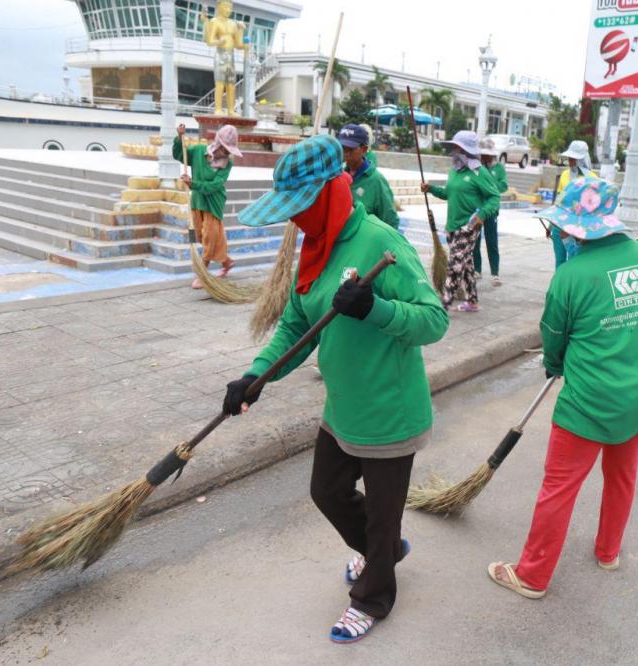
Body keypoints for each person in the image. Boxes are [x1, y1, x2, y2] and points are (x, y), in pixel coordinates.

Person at [228, 135, 450, 643]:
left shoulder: (379, 242)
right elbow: (295, 325)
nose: (294, 218)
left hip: (390, 412)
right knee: (326, 491)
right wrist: (256, 376)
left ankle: (374, 596)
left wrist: (377, 308)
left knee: (381, 518)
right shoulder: (317, 248)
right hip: (344, 405)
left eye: (301, 206)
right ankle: (385, 551)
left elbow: (435, 320)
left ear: (329, 193)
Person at [487, 176, 638, 599]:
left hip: (588, 401)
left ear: (577, 228)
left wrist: (556, 366)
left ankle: (533, 576)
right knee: (622, 477)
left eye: (563, 226)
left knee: (559, 487)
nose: (559, 232)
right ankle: (608, 552)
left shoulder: (570, 276)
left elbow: (553, 343)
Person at [420, 130, 501, 312]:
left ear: (467, 150)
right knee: (466, 266)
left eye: (457, 147)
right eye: (454, 147)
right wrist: (431, 189)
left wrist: (482, 216)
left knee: (454, 265)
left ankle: (444, 305)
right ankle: (472, 302)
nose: (453, 151)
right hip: (452, 227)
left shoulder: (479, 173)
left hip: (469, 227)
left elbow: (495, 197)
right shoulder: (454, 171)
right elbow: (448, 193)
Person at [174, 123, 241, 289]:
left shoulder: (227, 164)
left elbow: (215, 186)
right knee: (201, 236)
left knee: (210, 237)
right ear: (217, 143)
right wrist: (179, 137)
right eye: (224, 148)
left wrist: (193, 183)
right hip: (197, 201)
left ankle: (202, 274)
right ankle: (227, 262)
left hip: (213, 202)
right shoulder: (198, 152)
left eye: (228, 150)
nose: (225, 153)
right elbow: (179, 155)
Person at [338, 124, 400, 229]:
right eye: (342, 148)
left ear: (364, 149)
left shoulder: (377, 181)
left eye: (351, 149)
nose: (346, 153)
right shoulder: (337, 175)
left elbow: (390, 222)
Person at [552, 141, 597, 268]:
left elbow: (592, 206)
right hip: (559, 224)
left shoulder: (592, 178)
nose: (570, 161)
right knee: (560, 260)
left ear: (581, 160)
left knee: (574, 259)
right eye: (570, 158)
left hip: (578, 225)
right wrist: (551, 224)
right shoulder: (565, 175)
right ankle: (559, 286)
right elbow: (559, 200)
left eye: (573, 158)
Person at [474, 137, 508, 286]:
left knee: (491, 241)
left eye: (487, 154)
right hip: (477, 209)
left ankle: (495, 273)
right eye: (482, 154)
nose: (485, 157)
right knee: (475, 241)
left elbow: (504, 185)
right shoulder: (476, 167)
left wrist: (490, 186)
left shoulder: (499, 168)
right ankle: (477, 270)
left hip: (492, 210)